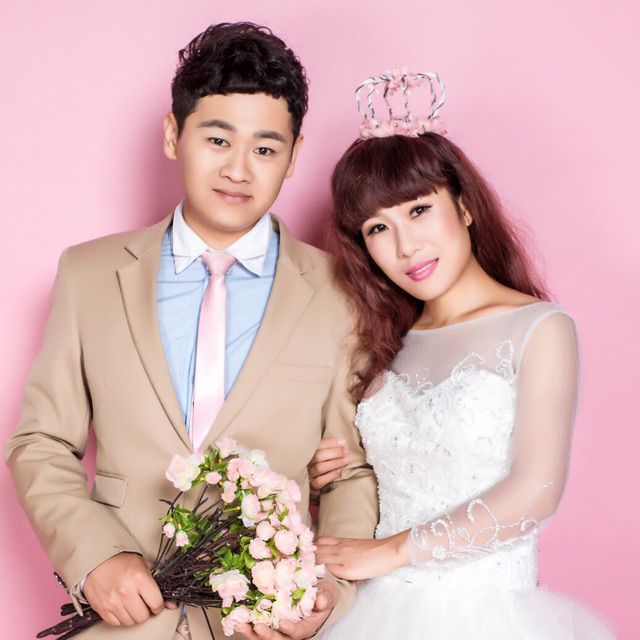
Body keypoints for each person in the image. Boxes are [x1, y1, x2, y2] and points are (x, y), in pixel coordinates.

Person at [5, 23, 377, 640]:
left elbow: (350, 475)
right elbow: (41, 441)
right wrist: (95, 557)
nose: (238, 170)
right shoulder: (89, 274)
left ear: (294, 157)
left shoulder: (342, 294)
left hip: (263, 624)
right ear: (173, 135)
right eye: (217, 140)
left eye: (265, 149)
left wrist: (329, 589)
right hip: (123, 619)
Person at [309, 69, 615, 639]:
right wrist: (319, 475)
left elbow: (537, 491)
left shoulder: (538, 328)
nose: (406, 246)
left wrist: (392, 552)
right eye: (378, 228)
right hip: (373, 613)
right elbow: (372, 474)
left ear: (465, 206)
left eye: (418, 210)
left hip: (489, 616)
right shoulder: (381, 344)